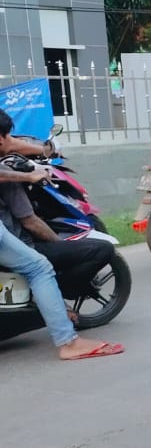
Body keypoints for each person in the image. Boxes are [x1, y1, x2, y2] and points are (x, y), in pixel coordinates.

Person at [0, 127, 123, 359]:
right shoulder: (8, 177)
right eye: (6, 136)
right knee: (39, 268)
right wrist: (29, 175)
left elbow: (13, 145)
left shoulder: (9, 150)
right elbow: (29, 220)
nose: (10, 141)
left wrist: (44, 150)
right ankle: (68, 341)